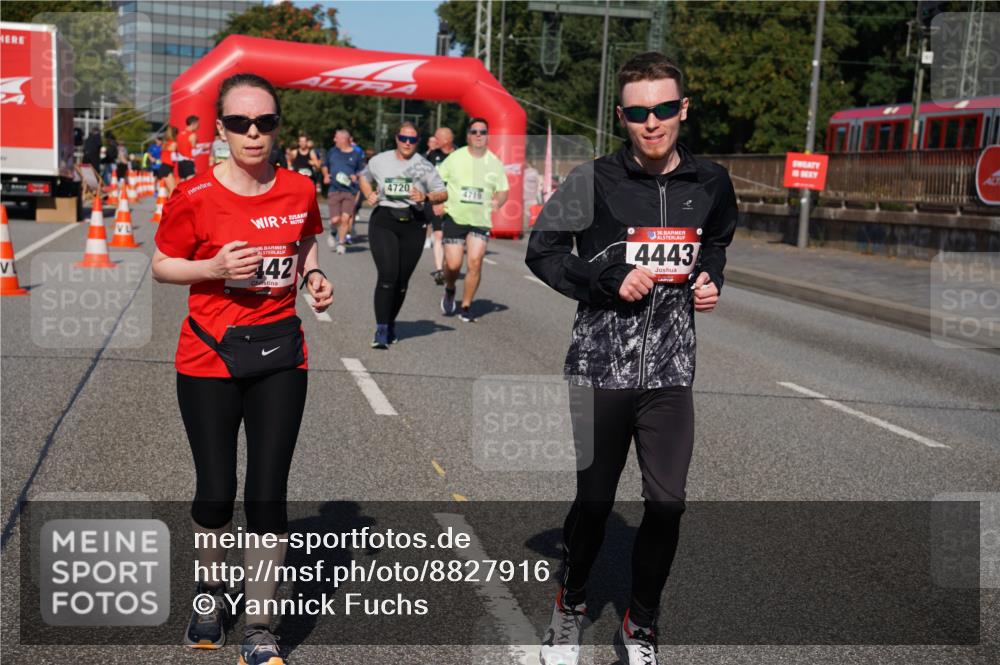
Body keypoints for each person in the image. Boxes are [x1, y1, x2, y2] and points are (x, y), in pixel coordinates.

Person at [525, 52, 737, 665]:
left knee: (667, 504)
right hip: (601, 367)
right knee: (595, 502)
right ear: (623, 116)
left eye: (664, 109)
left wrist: (708, 278)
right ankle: (570, 604)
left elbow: (716, 240)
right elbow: (542, 251)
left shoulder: (712, 182)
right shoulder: (592, 180)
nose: (653, 122)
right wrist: (605, 279)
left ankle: (640, 624)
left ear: (682, 109)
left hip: (671, 371)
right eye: (640, 112)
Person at [152, 72, 333, 665]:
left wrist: (311, 277)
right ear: (222, 128)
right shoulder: (193, 195)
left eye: (266, 123)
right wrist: (213, 270)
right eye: (240, 123)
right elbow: (162, 265)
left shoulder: (299, 189)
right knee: (215, 491)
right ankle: (208, 594)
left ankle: (260, 626)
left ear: (278, 127)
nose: (254, 134)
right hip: (208, 354)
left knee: (266, 495)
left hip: (281, 353)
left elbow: (306, 240)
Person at [358, 122, 446, 348]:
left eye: (413, 140)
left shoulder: (425, 166)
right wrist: (368, 193)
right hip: (384, 221)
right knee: (388, 275)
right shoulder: (380, 160)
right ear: (396, 138)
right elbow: (363, 177)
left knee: (401, 282)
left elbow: (443, 193)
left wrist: (425, 197)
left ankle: (391, 321)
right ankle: (381, 330)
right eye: (403, 138)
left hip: (413, 224)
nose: (407, 143)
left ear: (418, 141)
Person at [437, 119, 509, 322]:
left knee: (475, 263)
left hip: (480, 219)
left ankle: (466, 306)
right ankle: (450, 289)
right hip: (455, 216)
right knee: (453, 265)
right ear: (468, 135)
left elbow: (503, 190)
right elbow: (438, 180)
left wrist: (498, 201)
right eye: (474, 131)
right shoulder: (454, 158)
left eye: (483, 132)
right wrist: (438, 200)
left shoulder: (494, 162)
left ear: (488, 136)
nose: (479, 135)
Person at [321, 128, 365, 254]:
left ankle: (341, 243)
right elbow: (325, 165)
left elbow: (362, 171)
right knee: (335, 220)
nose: (334, 140)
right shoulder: (332, 152)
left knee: (345, 219)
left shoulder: (356, 154)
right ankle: (334, 231)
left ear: (344, 139)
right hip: (334, 190)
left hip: (350, 191)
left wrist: (356, 176)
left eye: (336, 137)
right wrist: (325, 175)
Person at [423, 127, 456, 283]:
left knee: (450, 236)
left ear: (446, 140)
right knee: (438, 234)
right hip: (436, 198)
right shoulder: (432, 155)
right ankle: (439, 269)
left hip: (454, 200)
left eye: (437, 138)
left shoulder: (458, 156)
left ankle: (448, 264)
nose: (434, 141)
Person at [176, 114, 199, 180]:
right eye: (197, 124)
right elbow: (194, 151)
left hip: (180, 162)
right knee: (191, 184)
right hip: (188, 161)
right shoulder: (192, 135)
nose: (198, 126)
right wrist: (203, 148)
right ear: (193, 123)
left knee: (182, 184)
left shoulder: (179, 134)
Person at [161, 126, 179, 195]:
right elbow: (173, 157)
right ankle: (171, 205)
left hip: (164, 166)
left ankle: (169, 204)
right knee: (173, 189)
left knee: (169, 189)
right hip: (167, 167)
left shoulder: (166, 143)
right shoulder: (174, 143)